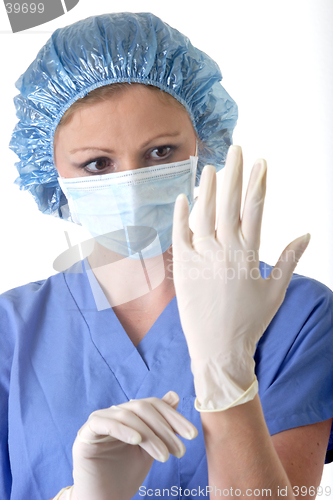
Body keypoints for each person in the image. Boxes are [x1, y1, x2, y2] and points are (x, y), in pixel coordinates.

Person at [1, 11, 332, 500]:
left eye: (160, 153)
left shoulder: (297, 316)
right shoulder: (10, 332)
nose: (131, 182)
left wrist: (229, 377)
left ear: (202, 144)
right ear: (52, 174)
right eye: (97, 164)